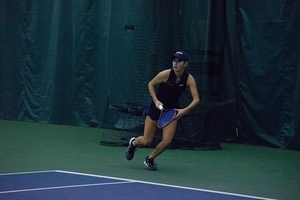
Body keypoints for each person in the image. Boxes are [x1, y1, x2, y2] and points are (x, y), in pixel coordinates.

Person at [126, 51, 200, 170]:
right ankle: (133, 143)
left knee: (167, 141)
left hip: (171, 111)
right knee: (147, 141)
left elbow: (196, 99)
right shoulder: (165, 74)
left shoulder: (189, 79)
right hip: (156, 108)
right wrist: (156, 101)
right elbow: (151, 84)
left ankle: (150, 159)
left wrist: (183, 111)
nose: (175, 64)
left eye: (179, 61)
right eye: (174, 60)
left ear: (185, 64)